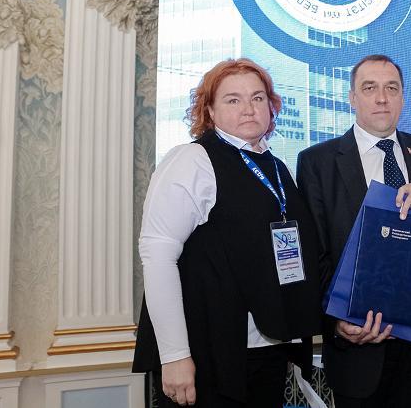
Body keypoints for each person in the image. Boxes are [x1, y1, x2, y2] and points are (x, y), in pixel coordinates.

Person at [133, 58, 322, 407]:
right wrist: (175, 356)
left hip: (267, 348)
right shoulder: (192, 160)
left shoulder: (276, 166)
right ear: (210, 111)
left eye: (258, 98)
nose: (249, 108)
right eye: (233, 99)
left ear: (271, 106)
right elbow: (158, 257)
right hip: (210, 355)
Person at [297, 54, 411, 407]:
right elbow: (313, 255)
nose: (382, 98)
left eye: (391, 88)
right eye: (370, 88)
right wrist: (335, 322)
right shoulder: (317, 162)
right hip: (358, 346)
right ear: (352, 98)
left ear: (402, 98)